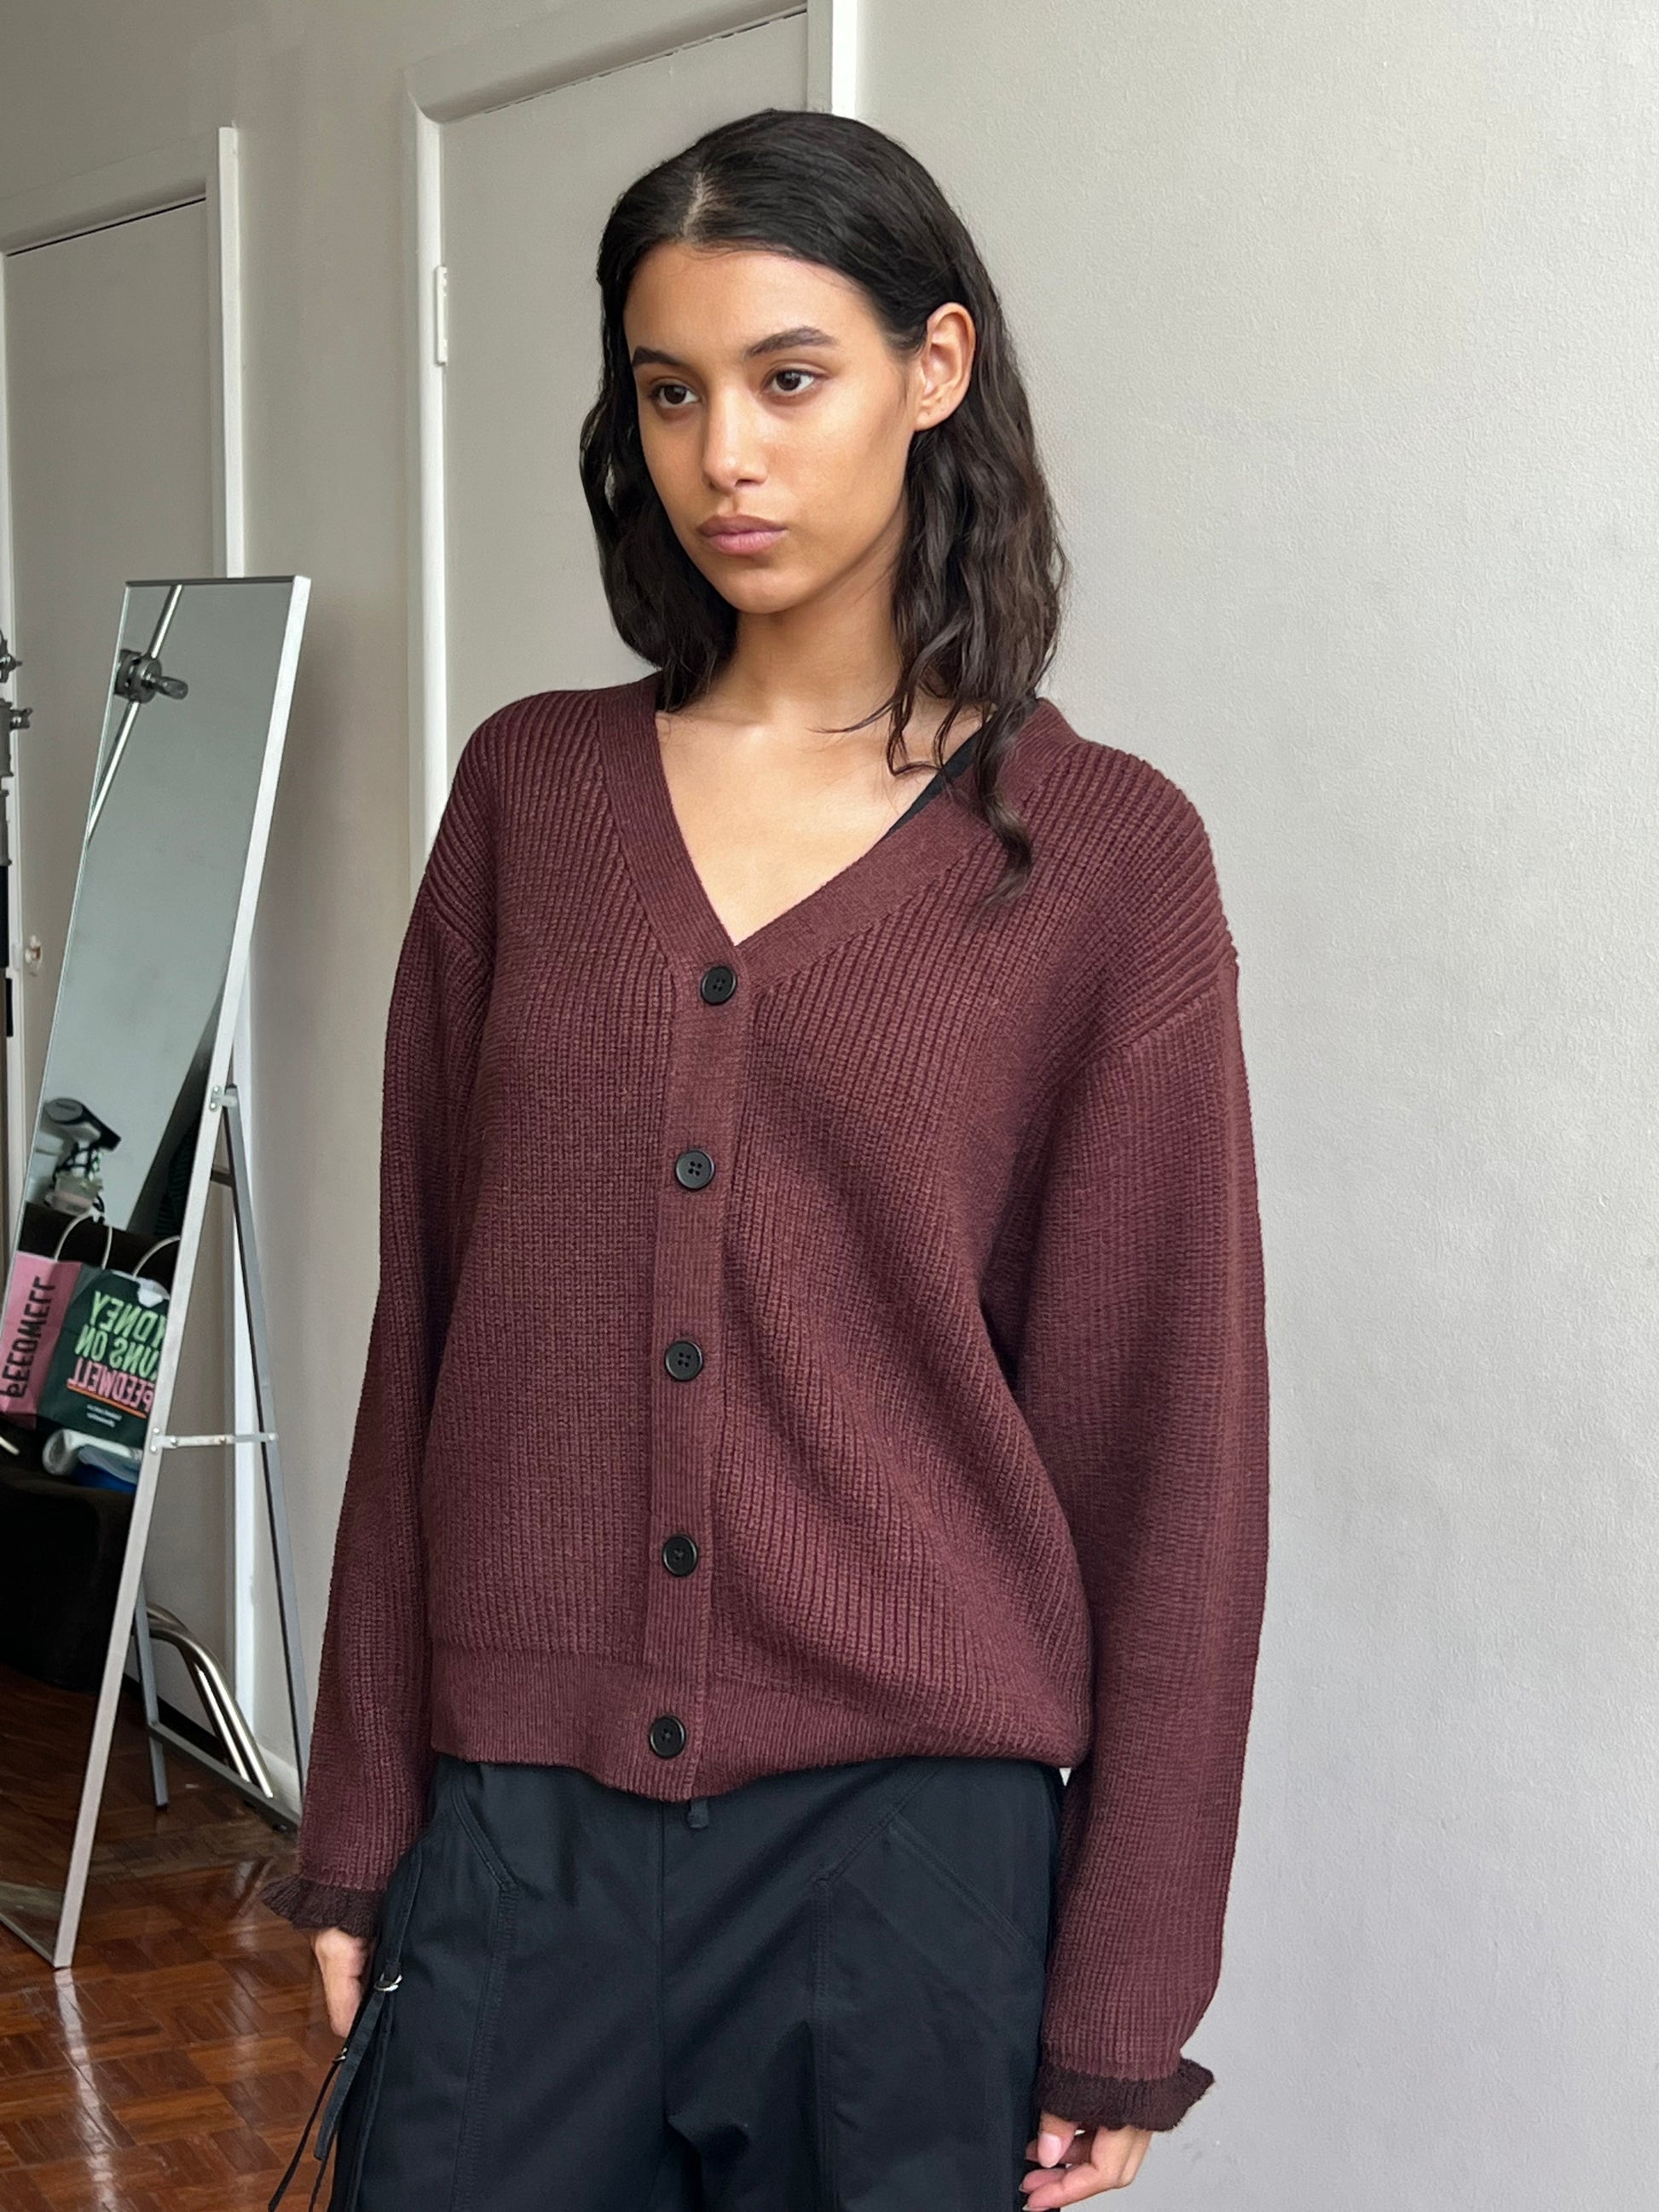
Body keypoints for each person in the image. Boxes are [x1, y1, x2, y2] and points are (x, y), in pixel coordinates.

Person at [261, 106, 1269, 2212]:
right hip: (515, 1826)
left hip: (908, 1865)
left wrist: (1120, 1989)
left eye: (788, 377)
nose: (725, 451)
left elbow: (1168, 1447)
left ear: (936, 368)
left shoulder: (1103, 861)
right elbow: (423, 1321)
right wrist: (362, 1811)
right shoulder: (530, 795)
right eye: (670, 389)